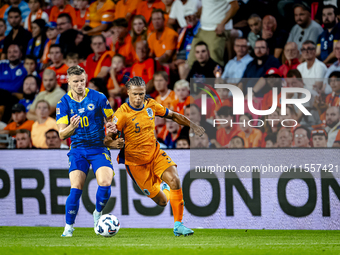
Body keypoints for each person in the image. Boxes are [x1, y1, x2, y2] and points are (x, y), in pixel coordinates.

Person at [104, 76, 204, 236]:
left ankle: (178, 225)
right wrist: (113, 144)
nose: (138, 98)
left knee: (175, 180)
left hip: (155, 154)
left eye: (141, 94)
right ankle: (162, 188)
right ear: (128, 92)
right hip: (135, 163)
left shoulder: (151, 105)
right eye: (135, 94)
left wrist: (193, 125)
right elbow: (107, 139)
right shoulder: (121, 114)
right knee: (163, 201)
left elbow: (172, 115)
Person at [56, 65, 122, 237]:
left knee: (106, 182)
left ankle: (98, 213)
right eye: (76, 81)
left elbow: (111, 118)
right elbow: (62, 134)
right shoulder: (63, 103)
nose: (80, 85)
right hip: (78, 149)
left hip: (99, 147)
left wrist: (111, 126)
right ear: (69, 82)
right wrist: (71, 127)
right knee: (76, 188)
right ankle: (69, 227)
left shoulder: (98, 97)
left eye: (82, 81)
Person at [187, 0, 240, 67]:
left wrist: (222, 23)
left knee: (214, 62)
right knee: (192, 60)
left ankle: (216, 77)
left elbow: (235, 6)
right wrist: (195, 15)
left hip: (216, 30)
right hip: (202, 29)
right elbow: (208, 5)